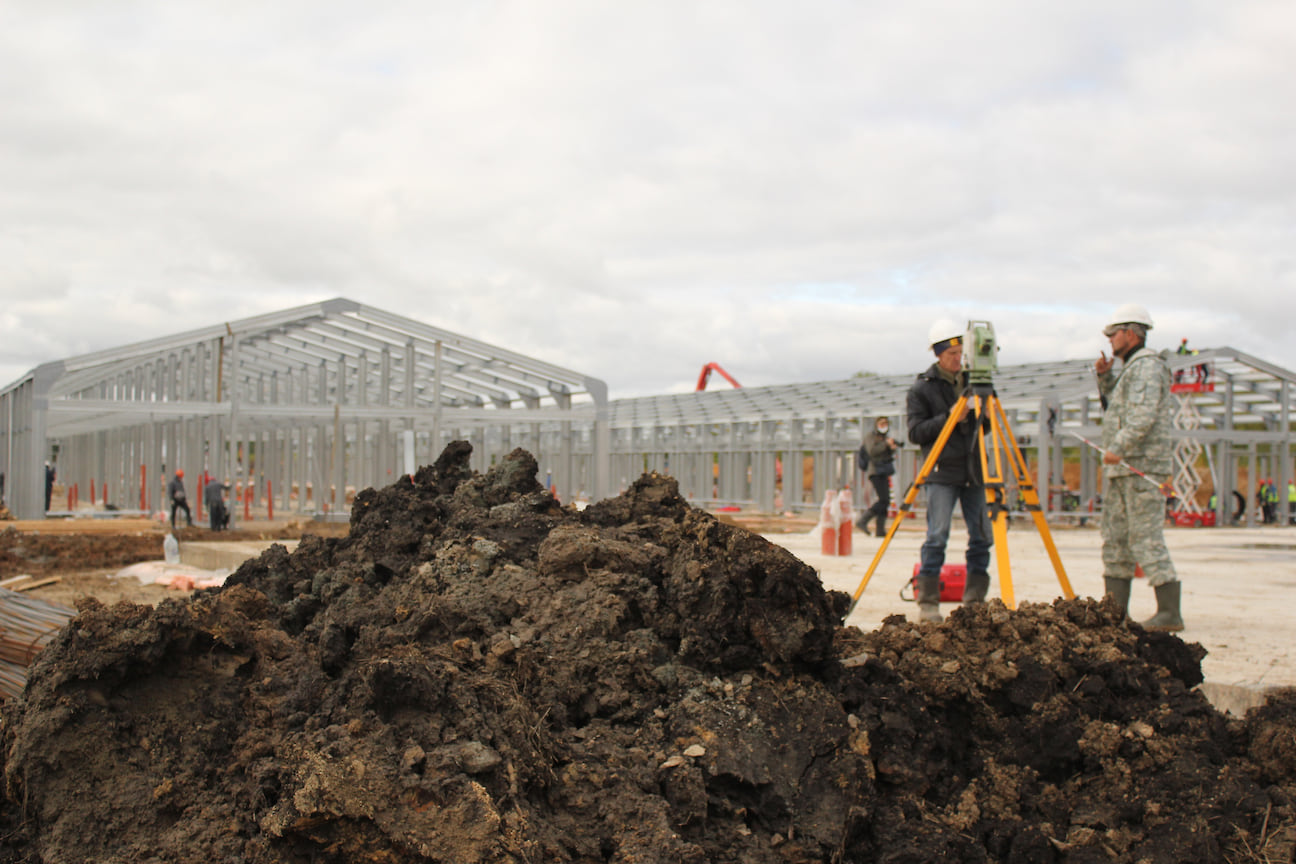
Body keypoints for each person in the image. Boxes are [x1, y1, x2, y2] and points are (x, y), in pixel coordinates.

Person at [1094, 303, 1183, 632]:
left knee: (1145, 537)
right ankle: (1115, 614)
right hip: (1123, 470)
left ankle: (1169, 613)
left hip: (1141, 468)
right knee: (1115, 538)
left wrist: (1118, 447)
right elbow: (1117, 408)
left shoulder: (1147, 367)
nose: (1110, 341)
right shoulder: (1131, 368)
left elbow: (1142, 415)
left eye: (1113, 334)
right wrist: (1105, 379)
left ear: (1131, 334)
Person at [906, 319, 993, 624]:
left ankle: (975, 600)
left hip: (974, 470)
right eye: (952, 353)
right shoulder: (922, 389)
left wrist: (984, 409)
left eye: (961, 352)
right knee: (937, 535)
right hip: (942, 472)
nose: (958, 358)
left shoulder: (974, 383)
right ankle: (928, 602)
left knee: (983, 536)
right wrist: (951, 417)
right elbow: (916, 433)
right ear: (939, 355)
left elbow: (987, 429)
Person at [856, 416, 898, 537]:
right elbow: (872, 451)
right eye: (881, 423)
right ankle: (862, 521)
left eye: (886, 423)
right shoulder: (870, 437)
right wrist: (886, 444)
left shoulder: (884, 437)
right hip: (875, 471)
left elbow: (885, 455)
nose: (884, 425)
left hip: (884, 470)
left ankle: (880, 530)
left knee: (885, 500)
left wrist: (891, 448)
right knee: (883, 499)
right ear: (876, 424)